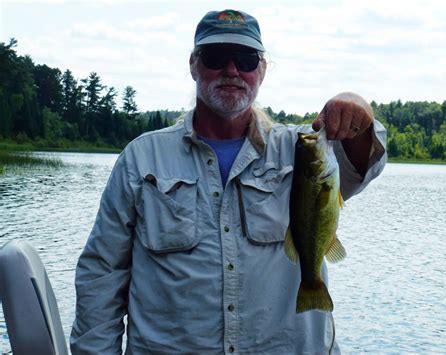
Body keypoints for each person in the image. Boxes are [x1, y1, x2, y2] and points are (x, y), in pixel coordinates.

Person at [70, 9, 387, 354]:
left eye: (246, 59)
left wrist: (359, 112)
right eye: (216, 57)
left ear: (262, 70)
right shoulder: (141, 158)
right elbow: (102, 273)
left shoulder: (303, 148)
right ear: (193, 64)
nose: (232, 70)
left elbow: (363, 164)